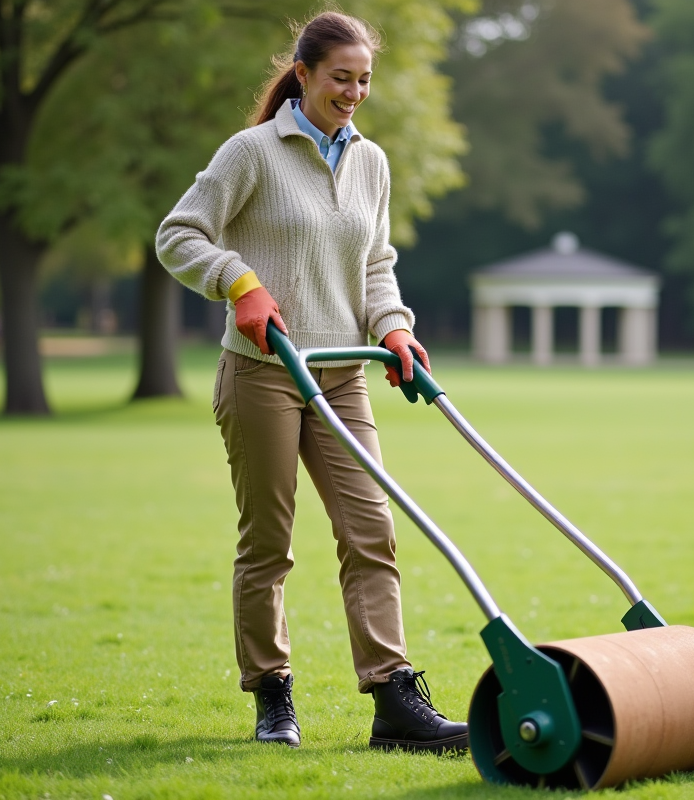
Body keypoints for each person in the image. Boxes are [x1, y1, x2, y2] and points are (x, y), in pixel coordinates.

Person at [156, 11, 467, 753]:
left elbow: (375, 264)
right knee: (269, 545)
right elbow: (178, 234)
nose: (354, 91)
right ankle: (273, 696)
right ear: (303, 74)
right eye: (341, 78)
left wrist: (393, 326)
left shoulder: (373, 163)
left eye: (364, 79)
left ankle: (393, 700)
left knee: (373, 534)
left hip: (343, 376)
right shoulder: (252, 154)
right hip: (263, 374)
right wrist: (239, 282)